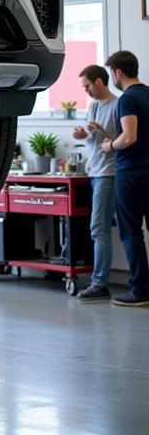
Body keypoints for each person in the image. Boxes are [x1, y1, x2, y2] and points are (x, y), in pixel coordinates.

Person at [101, 50, 149, 307]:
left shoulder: (128, 99)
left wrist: (110, 145)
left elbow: (129, 137)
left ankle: (140, 291)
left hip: (131, 172)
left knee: (131, 233)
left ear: (118, 72)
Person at [71, 64, 119, 301]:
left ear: (99, 81)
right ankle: (98, 281)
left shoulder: (118, 105)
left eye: (87, 86)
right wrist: (83, 135)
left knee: (99, 229)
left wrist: (100, 132)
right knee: (98, 229)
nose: (86, 91)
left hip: (109, 174)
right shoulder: (93, 106)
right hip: (95, 171)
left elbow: (122, 140)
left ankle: (99, 284)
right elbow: (94, 139)